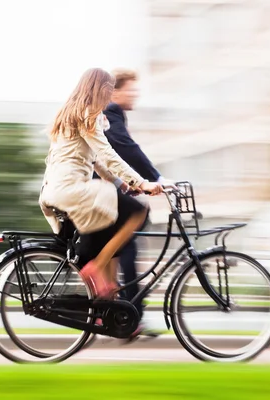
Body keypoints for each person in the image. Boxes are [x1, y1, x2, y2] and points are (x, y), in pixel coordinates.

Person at [38, 67, 163, 300]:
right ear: (100, 89)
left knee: (109, 225)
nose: (110, 96)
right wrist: (142, 182)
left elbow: (96, 161)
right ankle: (95, 269)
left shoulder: (69, 114)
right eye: (108, 90)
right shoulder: (89, 114)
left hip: (56, 191)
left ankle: (102, 307)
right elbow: (107, 154)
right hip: (72, 189)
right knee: (139, 211)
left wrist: (123, 185)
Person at [100, 69, 172, 321]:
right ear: (115, 91)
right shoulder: (110, 112)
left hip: (106, 187)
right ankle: (131, 313)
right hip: (97, 191)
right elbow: (124, 148)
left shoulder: (110, 113)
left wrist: (134, 184)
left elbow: (113, 158)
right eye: (131, 89)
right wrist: (155, 177)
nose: (136, 95)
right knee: (136, 220)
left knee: (125, 241)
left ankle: (115, 309)